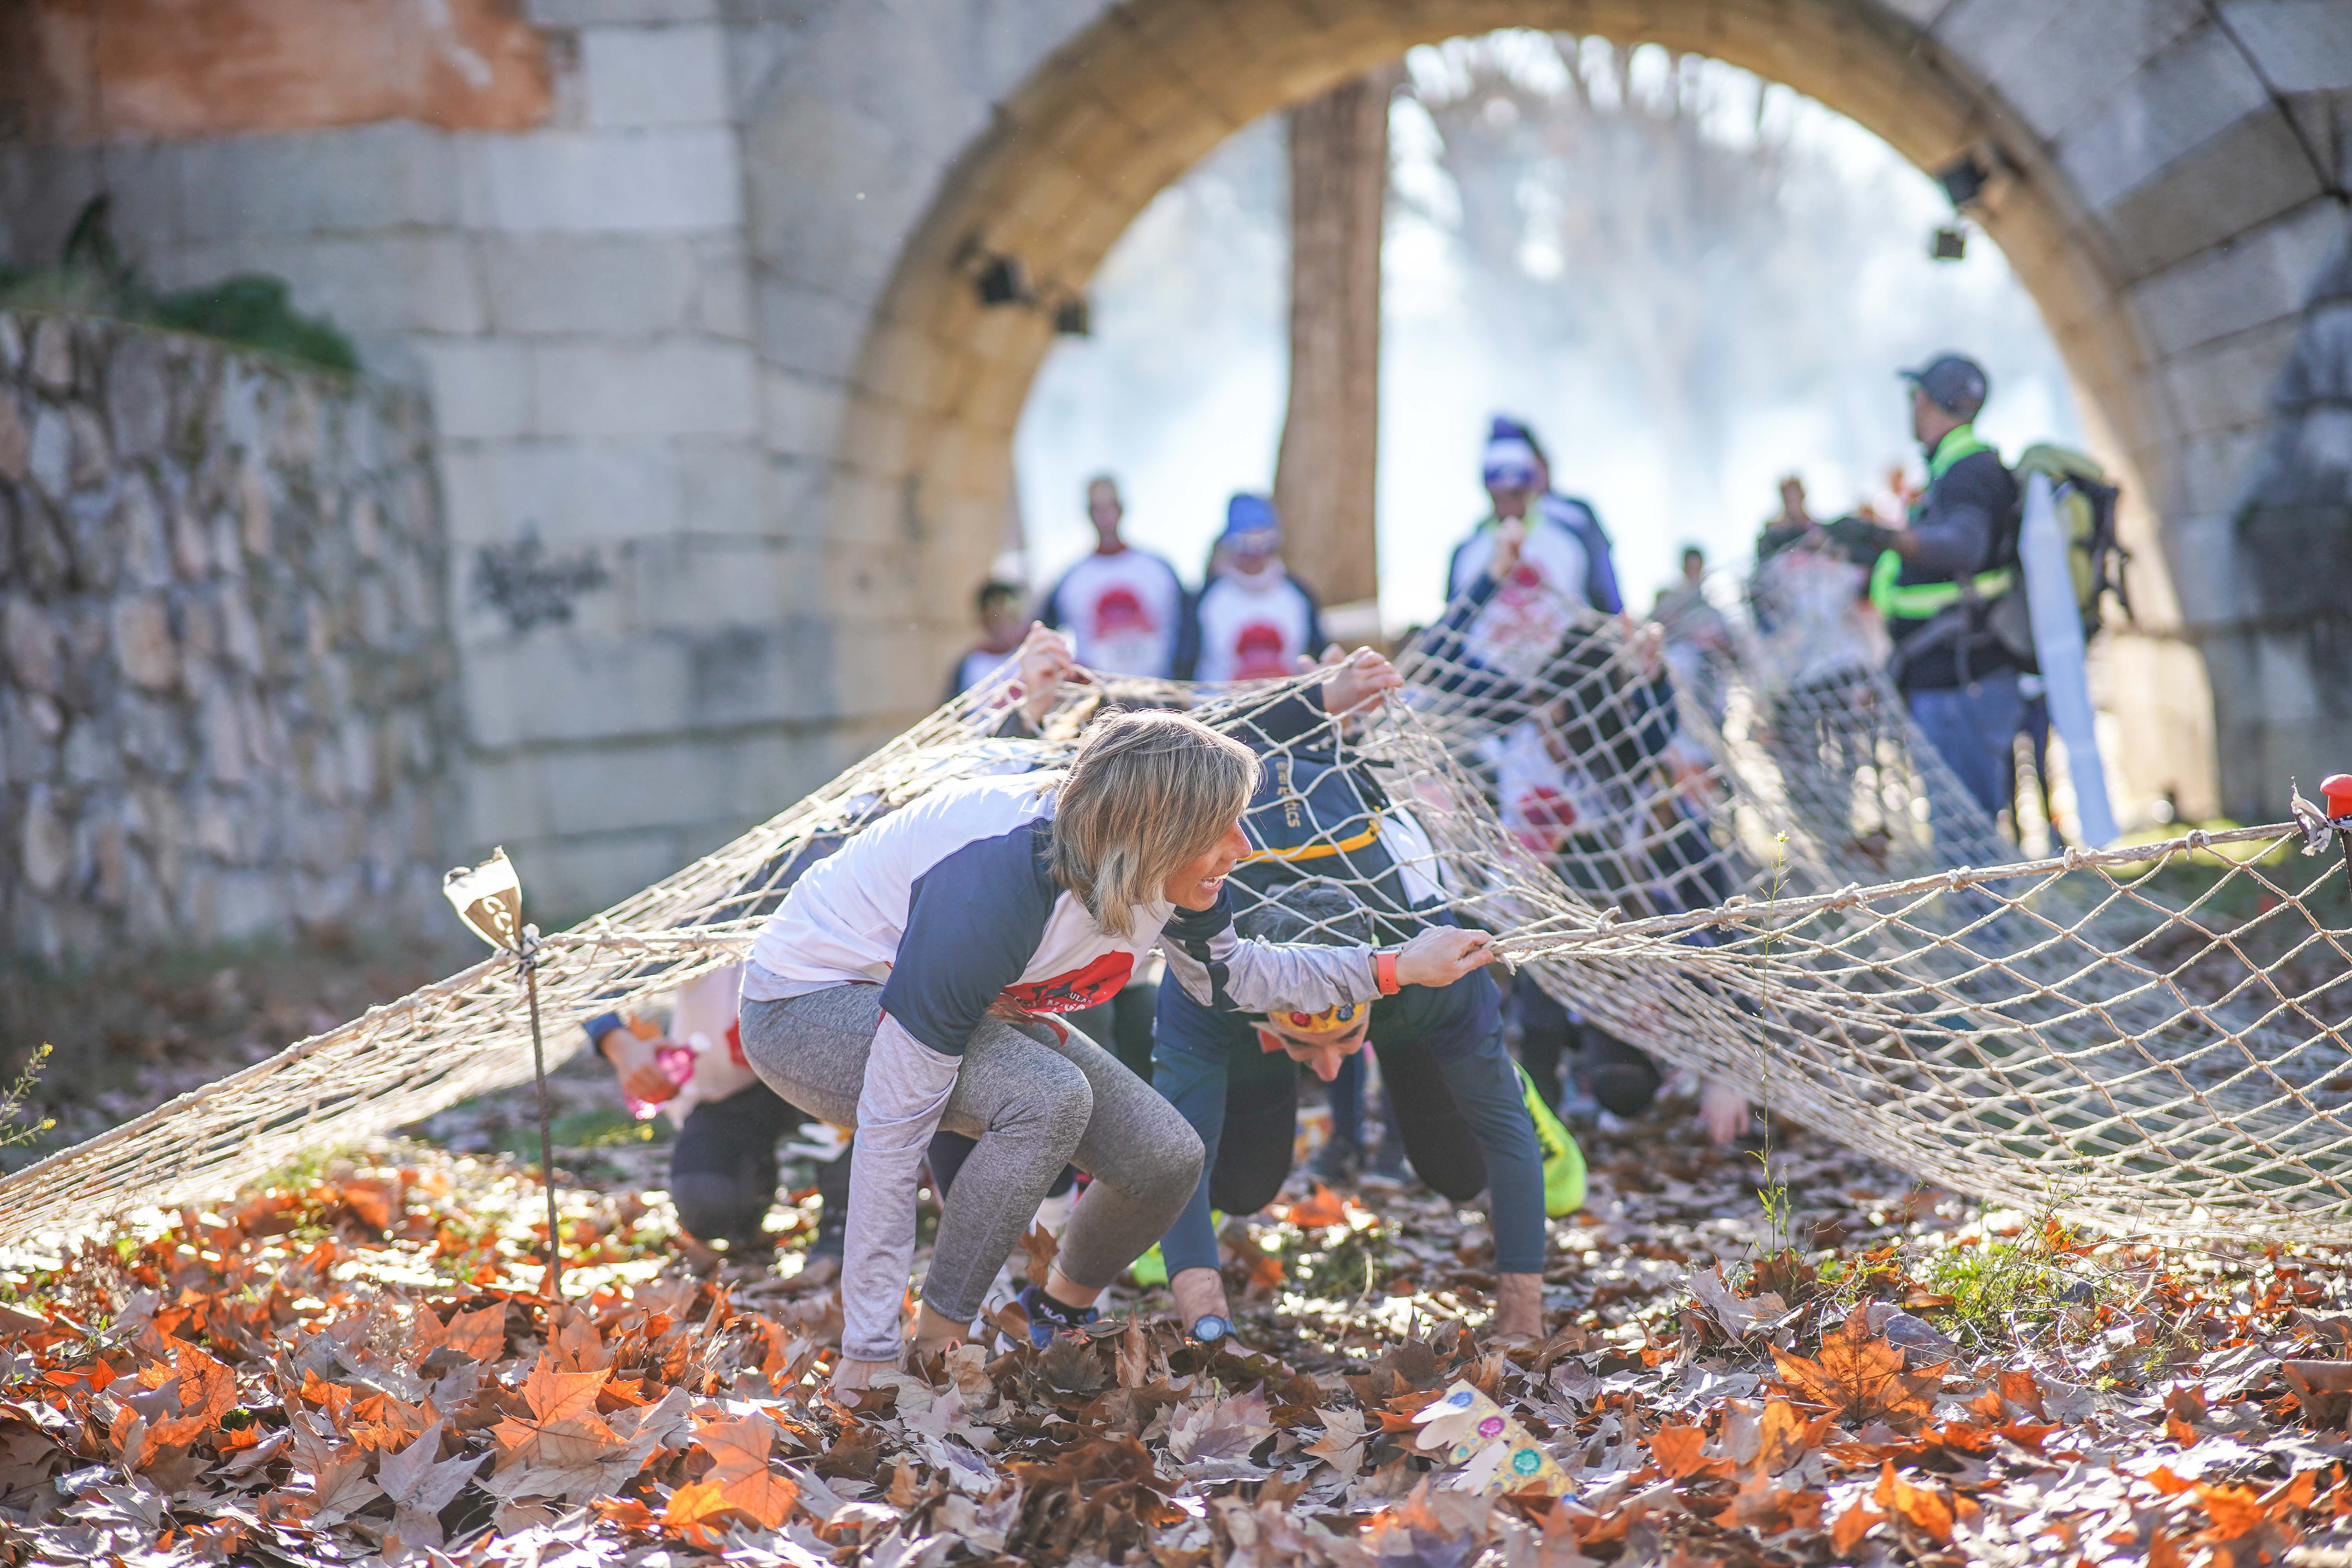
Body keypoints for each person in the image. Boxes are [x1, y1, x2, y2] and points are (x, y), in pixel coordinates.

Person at [735, 628, 1471, 1388]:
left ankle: (1056, 1311)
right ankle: (936, 1349)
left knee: (1165, 1157)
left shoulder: (1159, 862)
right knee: (1049, 1096)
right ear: (1163, 832)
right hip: (808, 1005)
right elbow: (891, 1132)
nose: (1244, 847)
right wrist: (868, 1347)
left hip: (950, 997)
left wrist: (1395, 966)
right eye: (1223, 829)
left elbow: (1233, 975)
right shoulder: (999, 889)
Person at [1835, 356, 2025, 818]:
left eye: (1915, 396)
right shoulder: (1954, 468)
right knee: (1966, 838)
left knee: (1969, 844)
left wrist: (1884, 537)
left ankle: (1985, 897)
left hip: (1962, 686)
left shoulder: (1969, 469)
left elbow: (1963, 547)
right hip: (1953, 684)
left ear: (1928, 402)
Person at [586, 964, 853, 1283]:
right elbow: (589, 975)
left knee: (849, 1111)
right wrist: (623, 1048)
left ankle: (848, 1225)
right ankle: (751, 1188)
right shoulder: (705, 921)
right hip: (730, 1091)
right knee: (706, 1202)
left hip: (832, 1081)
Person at [1446, 418, 1609, 677]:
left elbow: (1604, 606)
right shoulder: (1467, 553)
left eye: (1516, 493)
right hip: (1488, 692)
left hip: (1562, 687)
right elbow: (1449, 636)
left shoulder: (1570, 538)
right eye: (1500, 495)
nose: (1509, 503)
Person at [1038, 475, 1188, 677]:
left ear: (1122, 509)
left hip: (1160, 698)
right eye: (1097, 509)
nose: (1105, 517)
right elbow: (1043, 638)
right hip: (1099, 704)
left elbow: (1190, 632)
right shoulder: (1070, 580)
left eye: (1110, 507)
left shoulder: (1159, 569)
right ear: (1088, 514)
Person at [1180, 495, 1323, 683]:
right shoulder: (1208, 597)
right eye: (1244, 545)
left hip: (1288, 705)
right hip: (1222, 707)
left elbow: (1318, 653)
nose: (1255, 555)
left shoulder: (1297, 593)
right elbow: (1185, 662)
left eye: (1264, 544)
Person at [946, 580, 1029, 701]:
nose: (1006, 627)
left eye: (1012, 617)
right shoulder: (972, 665)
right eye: (997, 618)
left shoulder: (1034, 654)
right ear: (983, 621)